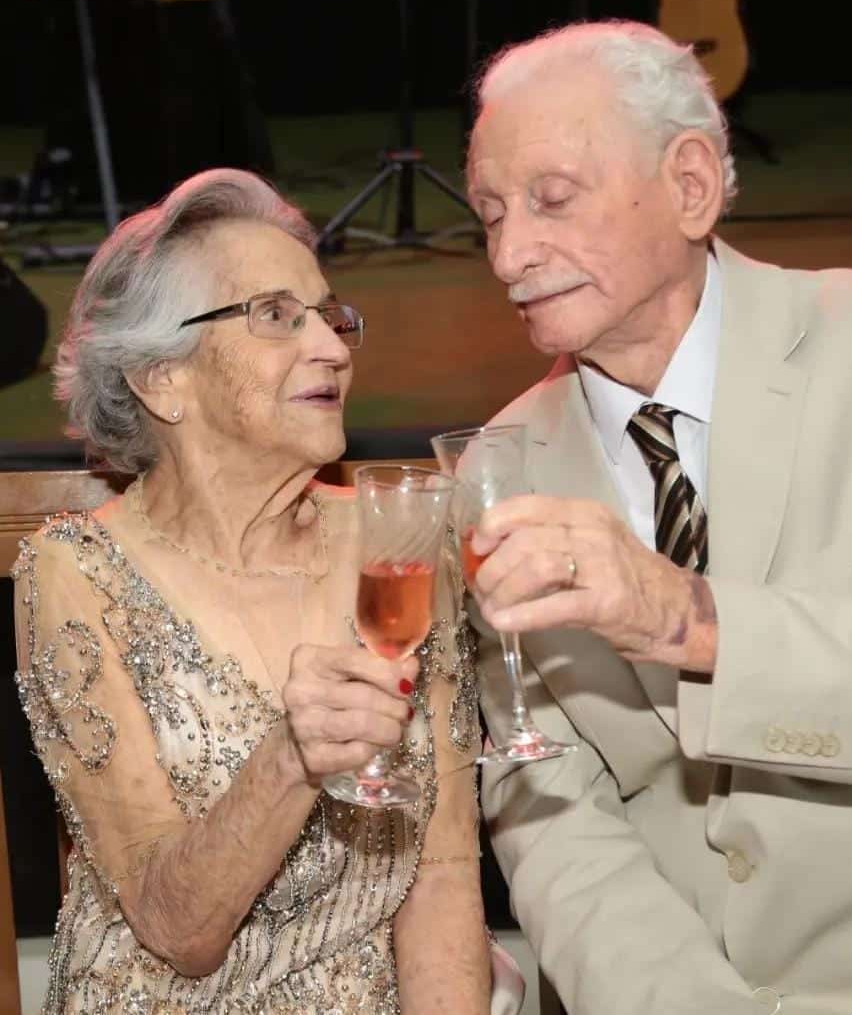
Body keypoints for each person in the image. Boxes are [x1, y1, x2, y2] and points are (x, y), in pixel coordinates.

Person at [463, 20, 852, 1014]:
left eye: (552, 200)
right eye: (489, 214)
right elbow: (549, 807)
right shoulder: (495, 468)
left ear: (691, 185)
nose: (510, 255)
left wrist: (692, 622)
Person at [12, 169, 522, 1014]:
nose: (333, 348)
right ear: (161, 377)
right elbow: (176, 931)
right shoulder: (78, 574)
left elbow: (441, 872)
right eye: (277, 316)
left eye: (329, 315)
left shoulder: (399, 543)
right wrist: (291, 759)